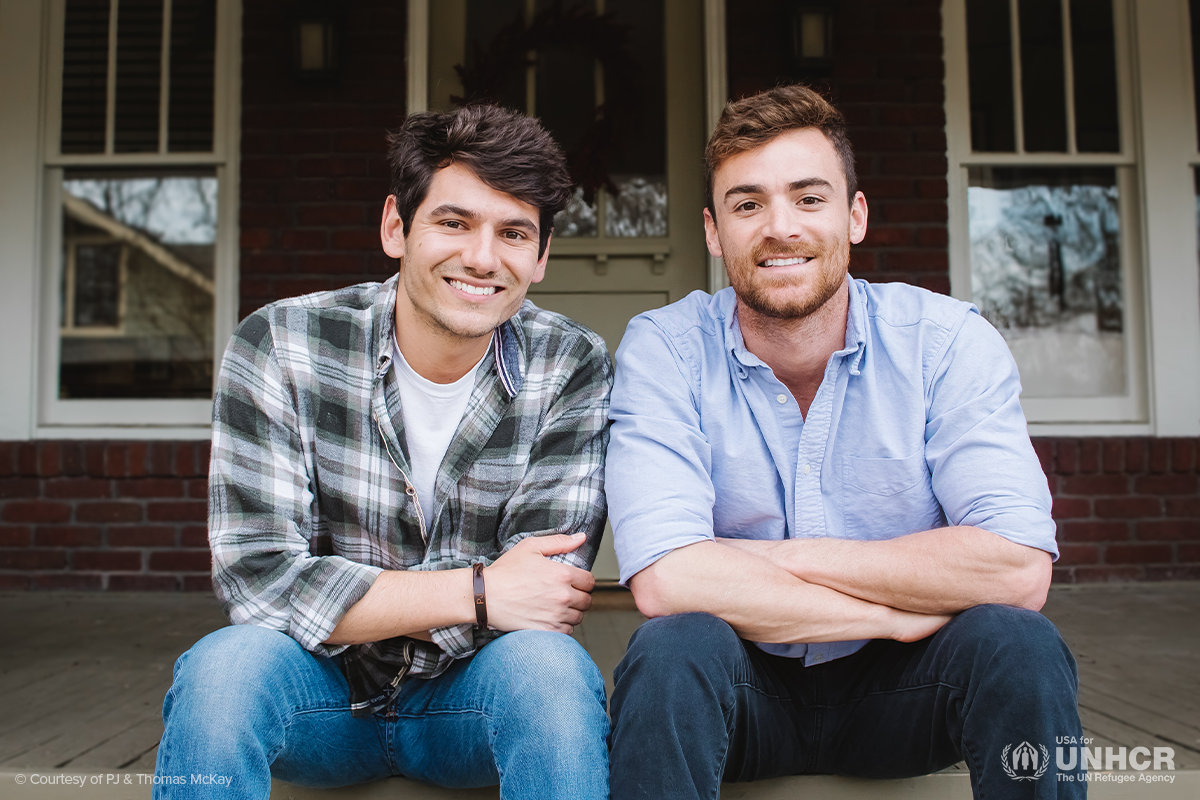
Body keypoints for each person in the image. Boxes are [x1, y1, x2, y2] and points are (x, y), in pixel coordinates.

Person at [605, 84, 1084, 799]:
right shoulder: (664, 349)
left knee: (1020, 644)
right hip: (743, 690)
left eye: (808, 198)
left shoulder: (945, 342)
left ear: (854, 216)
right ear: (713, 231)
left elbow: (1016, 570)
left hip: (908, 690)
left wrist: (755, 561)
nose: (780, 227)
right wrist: (893, 614)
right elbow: (671, 582)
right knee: (671, 650)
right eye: (747, 204)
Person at [155, 104, 613, 800]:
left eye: (513, 233)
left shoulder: (571, 364)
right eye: (454, 223)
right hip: (317, 698)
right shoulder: (282, 344)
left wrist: (343, 594)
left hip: (470, 702)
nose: (482, 258)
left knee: (550, 674)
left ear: (542, 257)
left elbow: (546, 589)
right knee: (223, 672)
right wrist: (480, 591)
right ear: (396, 227)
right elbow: (259, 579)